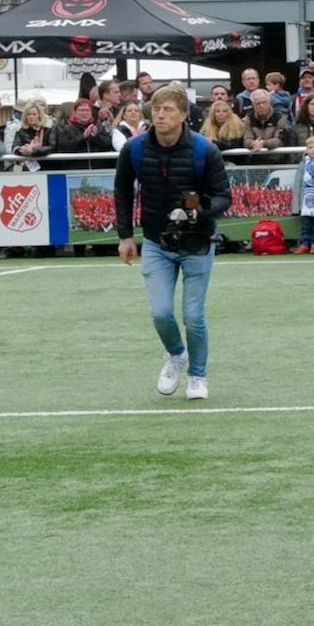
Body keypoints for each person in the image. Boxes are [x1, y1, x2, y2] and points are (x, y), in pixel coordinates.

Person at [117, 84, 232, 402]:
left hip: (196, 242)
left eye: (168, 109)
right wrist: (125, 236)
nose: (160, 114)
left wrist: (198, 210)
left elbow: (224, 196)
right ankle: (175, 354)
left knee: (193, 316)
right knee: (160, 312)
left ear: (184, 115)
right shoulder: (134, 149)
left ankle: (198, 375)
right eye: (156, 108)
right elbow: (123, 191)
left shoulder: (204, 150)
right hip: (155, 240)